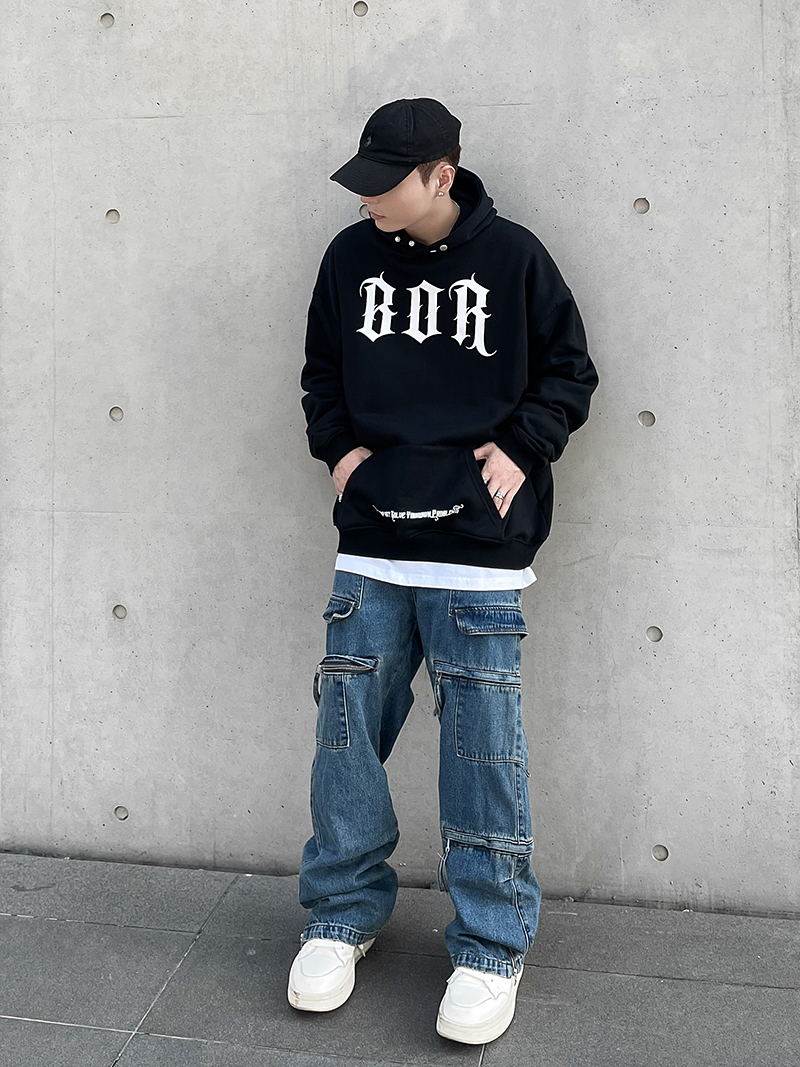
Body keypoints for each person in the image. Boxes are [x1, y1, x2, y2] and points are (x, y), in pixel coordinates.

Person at [288, 97, 599, 1045]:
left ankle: (492, 942)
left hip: (478, 552)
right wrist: (341, 455)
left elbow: (571, 370)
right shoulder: (348, 259)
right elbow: (321, 372)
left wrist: (524, 446)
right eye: (363, 182)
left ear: (443, 175)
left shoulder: (515, 259)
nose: (368, 198)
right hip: (371, 540)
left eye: (387, 184)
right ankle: (342, 913)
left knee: (482, 747)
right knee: (346, 734)